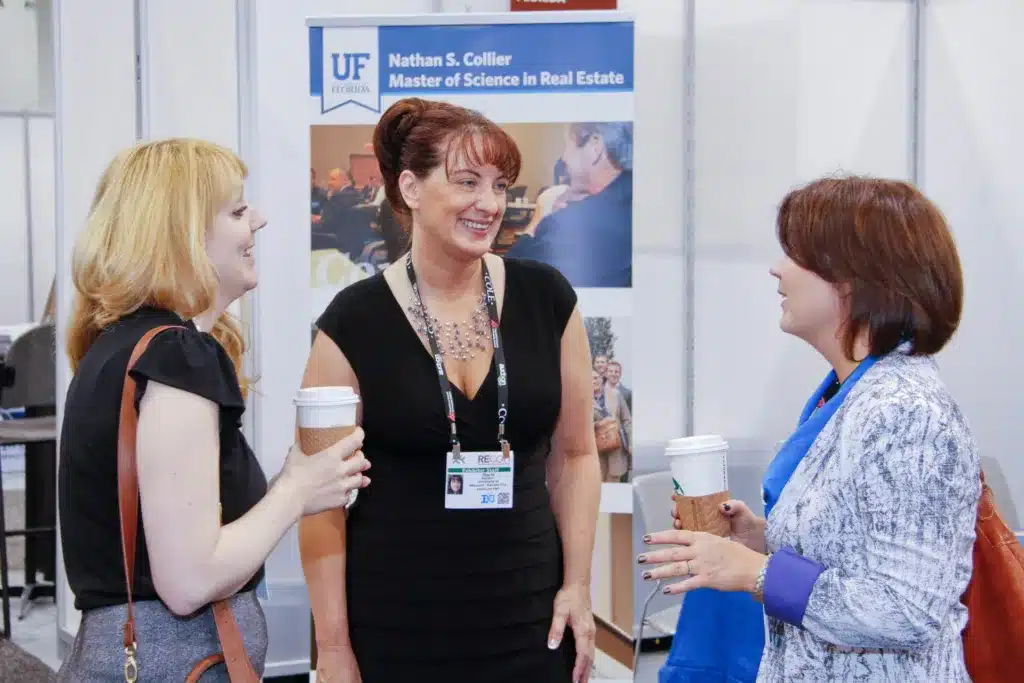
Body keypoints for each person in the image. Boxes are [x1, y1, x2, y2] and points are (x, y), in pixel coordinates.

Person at [299, 97, 602, 683]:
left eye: (499, 184)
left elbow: (576, 455)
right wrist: (333, 647)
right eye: (467, 181)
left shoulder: (548, 300)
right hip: (396, 624)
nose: (489, 203)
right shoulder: (352, 323)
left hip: (531, 616)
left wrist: (578, 586)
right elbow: (319, 501)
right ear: (411, 188)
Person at [642, 176, 979, 682]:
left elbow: (906, 607)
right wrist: (759, 538)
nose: (777, 270)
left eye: (794, 253)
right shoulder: (849, 395)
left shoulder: (906, 411)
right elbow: (853, 550)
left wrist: (755, 573)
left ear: (852, 276)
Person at [56, 139, 371, 681]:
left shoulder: (119, 348)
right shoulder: (176, 355)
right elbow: (189, 581)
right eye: (238, 210)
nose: (261, 221)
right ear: (182, 234)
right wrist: (297, 490)